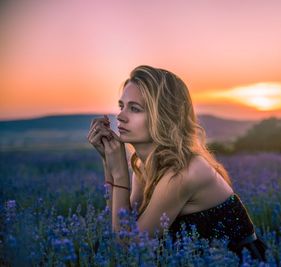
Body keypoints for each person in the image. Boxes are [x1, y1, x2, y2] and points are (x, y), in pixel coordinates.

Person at [87, 65, 266, 263]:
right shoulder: (146, 166)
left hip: (237, 261)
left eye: (135, 108)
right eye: (122, 106)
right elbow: (121, 227)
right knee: (99, 247)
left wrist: (119, 172)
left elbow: (129, 247)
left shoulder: (184, 172)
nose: (120, 116)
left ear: (164, 116)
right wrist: (108, 163)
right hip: (198, 259)